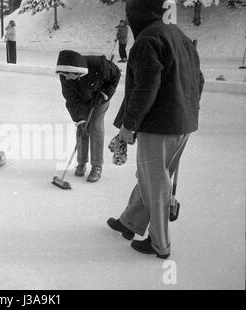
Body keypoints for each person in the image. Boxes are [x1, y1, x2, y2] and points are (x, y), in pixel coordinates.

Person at [107, 0, 204, 259]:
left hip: (159, 125)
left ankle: (159, 244)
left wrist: (129, 125)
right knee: (154, 177)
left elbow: (145, 89)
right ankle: (130, 222)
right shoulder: (179, 36)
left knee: (154, 180)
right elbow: (200, 79)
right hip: (181, 123)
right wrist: (187, 110)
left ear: (137, 14)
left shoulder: (148, 40)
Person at [55, 50, 121, 182]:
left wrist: (104, 95)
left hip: (100, 99)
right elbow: (71, 99)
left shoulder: (99, 65)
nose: (65, 78)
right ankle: (81, 162)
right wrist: (79, 119)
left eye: (68, 74)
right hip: (81, 100)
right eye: (63, 75)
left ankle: (97, 166)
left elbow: (116, 76)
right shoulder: (65, 76)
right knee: (82, 128)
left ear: (76, 70)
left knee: (95, 126)